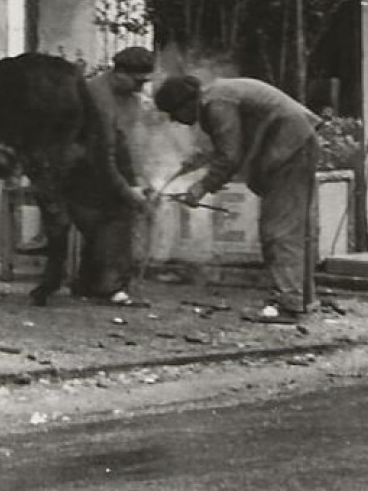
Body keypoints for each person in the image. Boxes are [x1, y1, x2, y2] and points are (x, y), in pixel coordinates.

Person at [153, 74, 321, 320]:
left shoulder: (216, 104)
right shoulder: (218, 95)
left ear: (186, 104)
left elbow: (230, 156)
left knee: (279, 231)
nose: (175, 120)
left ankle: (290, 303)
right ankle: (303, 299)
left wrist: (201, 187)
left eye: (174, 113)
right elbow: (230, 143)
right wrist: (195, 163)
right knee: (295, 228)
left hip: (289, 149)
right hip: (296, 143)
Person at [71, 47, 156, 303]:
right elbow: (102, 156)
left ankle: (90, 283)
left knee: (117, 211)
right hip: (81, 168)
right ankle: (108, 285)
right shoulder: (99, 98)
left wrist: (141, 179)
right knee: (115, 214)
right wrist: (127, 190)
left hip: (107, 163)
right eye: (137, 81)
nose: (141, 88)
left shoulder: (130, 97)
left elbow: (132, 143)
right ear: (119, 73)